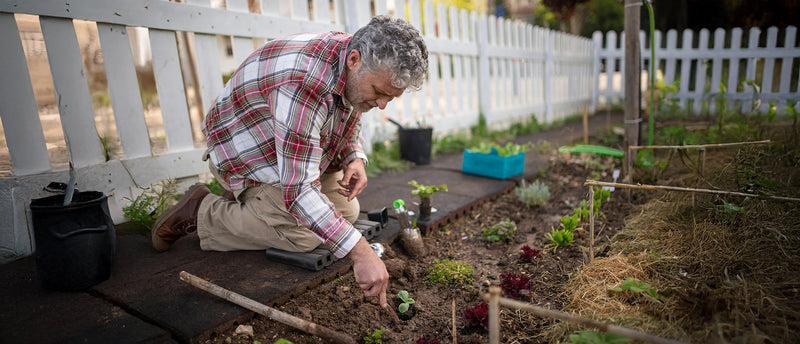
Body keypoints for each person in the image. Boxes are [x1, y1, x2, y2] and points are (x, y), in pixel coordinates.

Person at [150, 15, 428, 308]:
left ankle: (254, 207)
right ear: (355, 60)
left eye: (391, 98)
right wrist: (361, 253)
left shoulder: (354, 60)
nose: (382, 104)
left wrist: (353, 157)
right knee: (302, 236)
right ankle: (203, 212)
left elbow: (350, 110)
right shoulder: (304, 82)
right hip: (246, 156)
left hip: (284, 149)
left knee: (347, 209)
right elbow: (298, 192)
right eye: (379, 93)